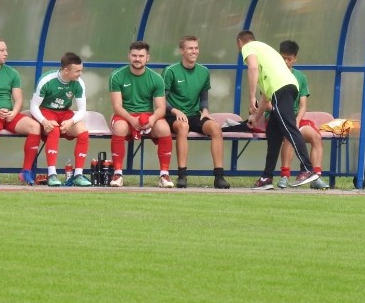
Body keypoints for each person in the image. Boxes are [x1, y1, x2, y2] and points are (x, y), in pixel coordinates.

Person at [235, 30, 320, 190]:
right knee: (273, 134)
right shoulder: (265, 54)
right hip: (283, 88)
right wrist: (256, 116)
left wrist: (251, 97)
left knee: (289, 127)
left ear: (240, 42)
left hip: (283, 89)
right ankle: (266, 178)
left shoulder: (249, 47)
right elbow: (267, 96)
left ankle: (307, 169)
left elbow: (252, 68)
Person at [163, 35, 230, 189]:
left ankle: (219, 177)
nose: (194, 51)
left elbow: (204, 97)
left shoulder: (204, 71)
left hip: (194, 115)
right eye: (190, 48)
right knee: (183, 127)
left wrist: (205, 110)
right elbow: (161, 100)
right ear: (182, 51)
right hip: (174, 116)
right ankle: (182, 175)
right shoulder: (170, 71)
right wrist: (175, 110)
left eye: (196, 48)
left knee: (215, 128)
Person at [0, 37, 42, 186]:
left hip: (9, 114)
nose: (6, 53)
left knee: (35, 127)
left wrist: (14, 113)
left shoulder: (12, 73)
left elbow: (18, 99)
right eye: (2, 50)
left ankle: (26, 171)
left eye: (6, 50)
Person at [108, 41, 174, 188]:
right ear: (129, 56)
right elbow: (117, 106)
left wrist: (152, 119)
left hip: (147, 115)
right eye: (134, 55)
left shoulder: (157, 79)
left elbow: (161, 108)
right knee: (119, 128)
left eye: (141, 56)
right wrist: (132, 120)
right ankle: (118, 173)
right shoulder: (116, 76)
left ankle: (164, 174)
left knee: (164, 128)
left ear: (147, 58)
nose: (137, 59)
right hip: (125, 116)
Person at [29, 52, 92, 187]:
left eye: (81, 70)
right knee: (54, 130)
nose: (80, 74)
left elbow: (82, 110)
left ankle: (78, 175)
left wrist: (71, 122)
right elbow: (34, 106)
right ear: (66, 70)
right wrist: (44, 121)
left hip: (65, 113)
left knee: (83, 132)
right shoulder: (47, 80)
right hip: (46, 111)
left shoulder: (79, 83)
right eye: (77, 71)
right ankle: (52, 174)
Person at [276, 40, 329, 190]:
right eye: (283, 58)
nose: (286, 62)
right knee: (290, 134)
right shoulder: (273, 74)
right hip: (277, 117)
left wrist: (297, 121)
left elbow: (303, 105)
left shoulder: (301, 77)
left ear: (295, 59)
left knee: (316, 137)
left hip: (294, 118)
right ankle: (285, 176)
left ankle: (315, 176)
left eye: (289, 59)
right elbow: (267, 102)